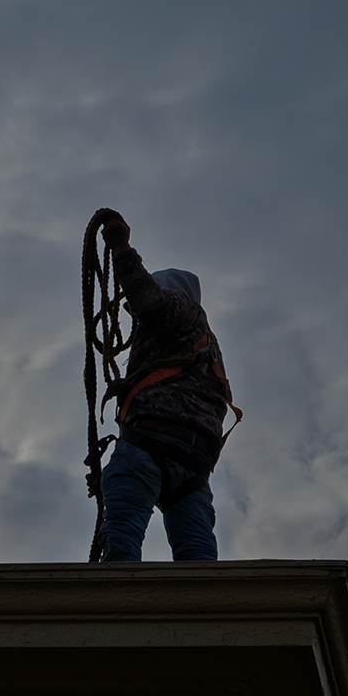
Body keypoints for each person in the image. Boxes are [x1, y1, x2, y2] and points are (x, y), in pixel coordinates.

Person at [91, 209, 238, 561]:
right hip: (193, 460)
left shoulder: (179, 308)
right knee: (197, 551)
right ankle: (204, 612)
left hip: (151, 441)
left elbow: (149, 302)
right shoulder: (204, 346)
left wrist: (122, 249)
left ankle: (115, 605)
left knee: (122, 533)